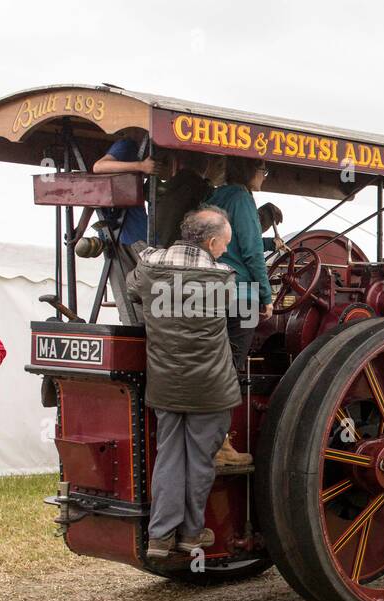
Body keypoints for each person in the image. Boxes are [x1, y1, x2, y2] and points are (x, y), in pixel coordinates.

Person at [129, 207, 243, 559]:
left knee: (168, 458)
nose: (225, 250)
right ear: (210, 242)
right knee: (200, 463)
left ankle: (160, 537)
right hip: (211, 389)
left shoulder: (149, 267)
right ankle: (191, 535)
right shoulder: (223, 278)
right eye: (224, 243)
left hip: (165, 385)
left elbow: (134, 290)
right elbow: (236, 312)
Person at [207, 157, 273, 375]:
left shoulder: (215, 196)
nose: (264, 176)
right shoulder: (242, 199)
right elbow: (252, 252)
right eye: (263, 170)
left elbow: (231, 243)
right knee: (231, 367)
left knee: (212, 360)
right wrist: (266, 296)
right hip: (241, 294)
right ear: (250, 171)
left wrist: (272, 243)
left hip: (211, 289)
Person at [92, 134, 156, 325]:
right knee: (157, 289)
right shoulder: (127, 145)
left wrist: (78, 230)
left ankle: (135, 331)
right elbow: (98, 167)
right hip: (136, 236)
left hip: (113, 237)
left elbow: (91, 199)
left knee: (127, 296)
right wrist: (141, 167)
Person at [154, 152, 213, 248]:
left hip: (159, 244)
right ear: (206, 164)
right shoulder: (201, 188)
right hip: (180, 248)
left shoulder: (168, 186)